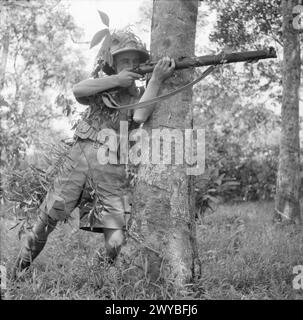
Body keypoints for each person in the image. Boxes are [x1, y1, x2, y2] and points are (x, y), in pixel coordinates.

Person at [13, 30, 175, 276]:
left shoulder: (137, 94)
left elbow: (140, 116)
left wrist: (155, 81)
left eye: (134, 62)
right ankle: (17, 271)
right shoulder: (102, 83)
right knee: (46, 220)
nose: (130, 66)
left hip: (111, 163)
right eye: (124, 61)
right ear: (114, 64)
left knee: (115, 229)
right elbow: (79, 90)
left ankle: (100, 272)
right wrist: (117, 80)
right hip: (79, 155)